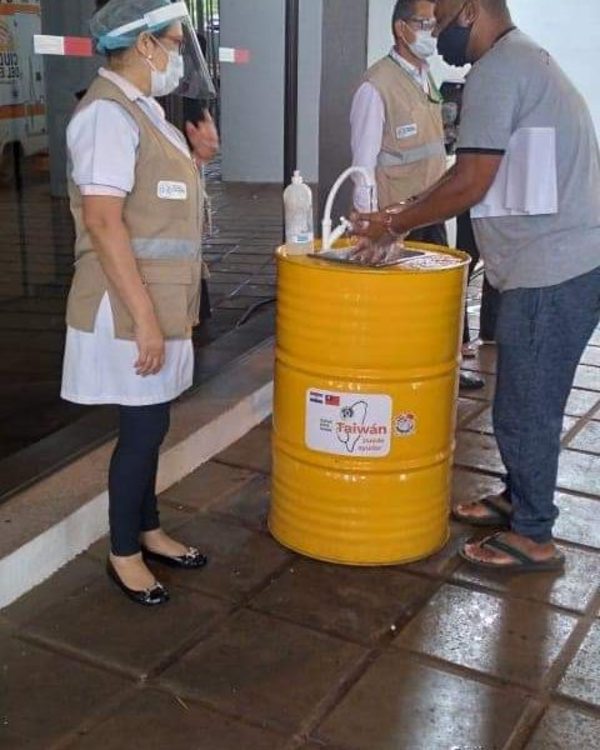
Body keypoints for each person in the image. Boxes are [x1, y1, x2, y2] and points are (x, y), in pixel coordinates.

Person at [351, 0, 600, 572]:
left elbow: (470, 181)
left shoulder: (497, 71)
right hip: (554, 263)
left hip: (554, 269)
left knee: (525, 406)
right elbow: (464, 170)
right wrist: (406, 209)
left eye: (438, 24)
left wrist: (394, 223)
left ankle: (535, 534)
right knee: (520, 394)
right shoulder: (519, 61)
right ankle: (519, 497)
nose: (435, 38)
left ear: (468, 12)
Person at [61, 0, 219, 605]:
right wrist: (147, 320)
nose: (179, 55)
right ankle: (123, 551)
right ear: (145, 44)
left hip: (153, 301)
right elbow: (103, 224)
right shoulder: (105, 116)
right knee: (143, 425)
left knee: (151, 425)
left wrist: (200, 160)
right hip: (127, 308)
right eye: (176, 43)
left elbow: (157, 204)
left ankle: (147, 528)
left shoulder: (141, 110)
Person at [351, 0, 484, 391]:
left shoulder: (426, 78)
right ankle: (398, 370)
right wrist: (369, 223)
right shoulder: (376, 86)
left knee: (442, 296)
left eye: (434, 23)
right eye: (423, 23)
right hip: (396, 220)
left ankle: (445, 366)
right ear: (400, 29)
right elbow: (362, 165)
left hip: (430, 209)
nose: (431, 31)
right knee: (401, 306)